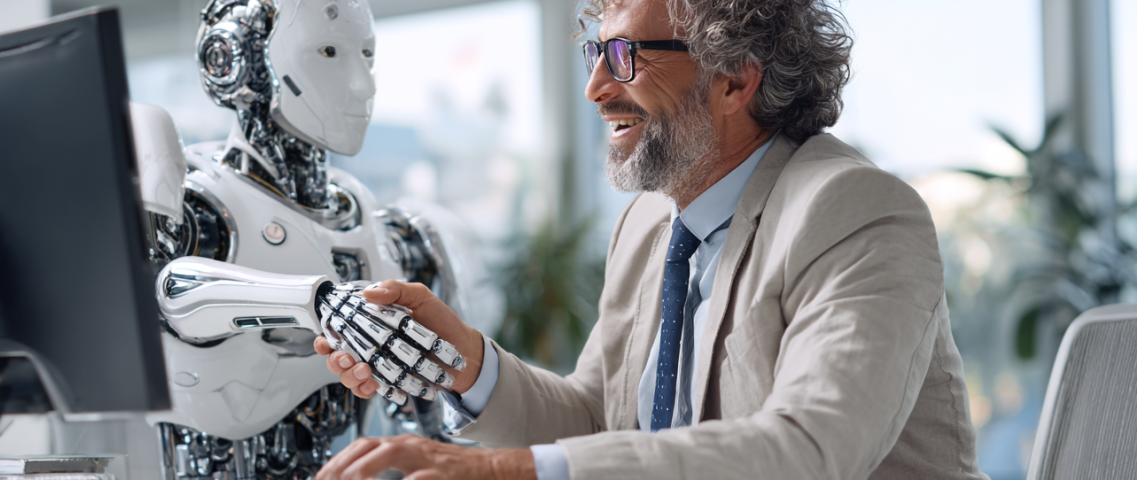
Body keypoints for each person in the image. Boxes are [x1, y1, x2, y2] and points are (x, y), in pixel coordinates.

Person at [312, 0, 988, 478]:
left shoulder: (854, 211)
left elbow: (808, 452)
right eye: (594, 52)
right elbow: (592, 420)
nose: (595, 88)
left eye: (624, 55)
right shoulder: (647, 225)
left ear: (735, 78)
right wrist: (466, 363)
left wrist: (509, 472)